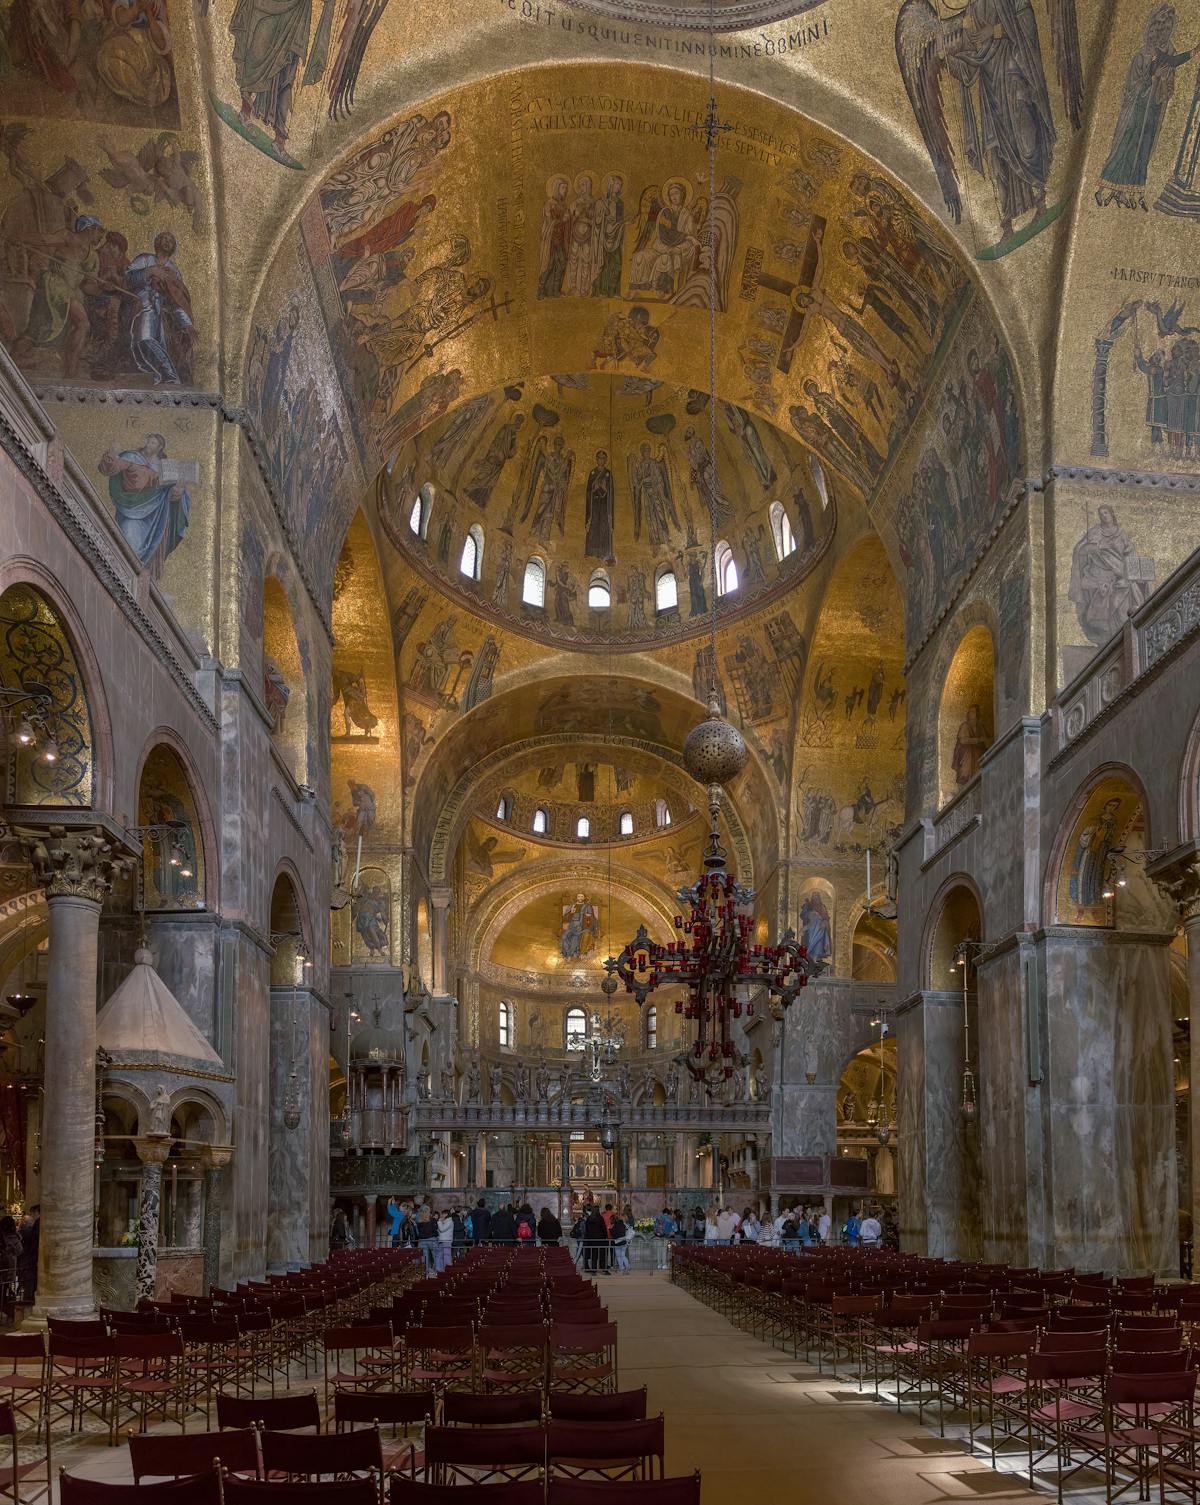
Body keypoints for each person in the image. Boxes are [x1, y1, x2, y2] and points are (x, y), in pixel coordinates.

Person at [17, 1208, 38, 1305]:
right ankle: (26, 1300)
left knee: (26, 1283)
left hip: (25, 1260)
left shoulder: (23, 1232)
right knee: (28, 1283)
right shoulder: (30, 1231)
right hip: (28, 1260)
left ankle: (25, 1300)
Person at [583, 1204, 609, 1276]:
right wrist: (605, 1236)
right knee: (602, 1255)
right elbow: (604, 1228)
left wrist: (588, 1237)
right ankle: (604, 1269)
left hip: (592, 1240)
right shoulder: (600, 1218)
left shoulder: (589, 1218)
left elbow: (587, 1230)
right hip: (600, 1240)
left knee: (594, 1256)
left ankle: (594, 1270)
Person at [415, 1205, 438, 1272]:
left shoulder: (418, 1221)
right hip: (432, 1239)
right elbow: (435, 1229)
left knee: (425, 1258)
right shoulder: (433, 1220)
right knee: (435, 1256)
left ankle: (426, 1273)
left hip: (422, 1240)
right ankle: (436, 1272)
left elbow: (417, 1232)